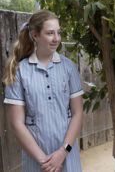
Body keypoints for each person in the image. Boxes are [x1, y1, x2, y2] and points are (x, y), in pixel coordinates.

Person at [3, 10, 83, 172]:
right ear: (35, 35)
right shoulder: (19, 71)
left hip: (67, 156)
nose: (57, 39)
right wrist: (44, 161)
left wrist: (63, 152)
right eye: (50, 33)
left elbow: (78, 113)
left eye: (58, 33)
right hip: (37, 160)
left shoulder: (69, 68)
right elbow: (16, 123)